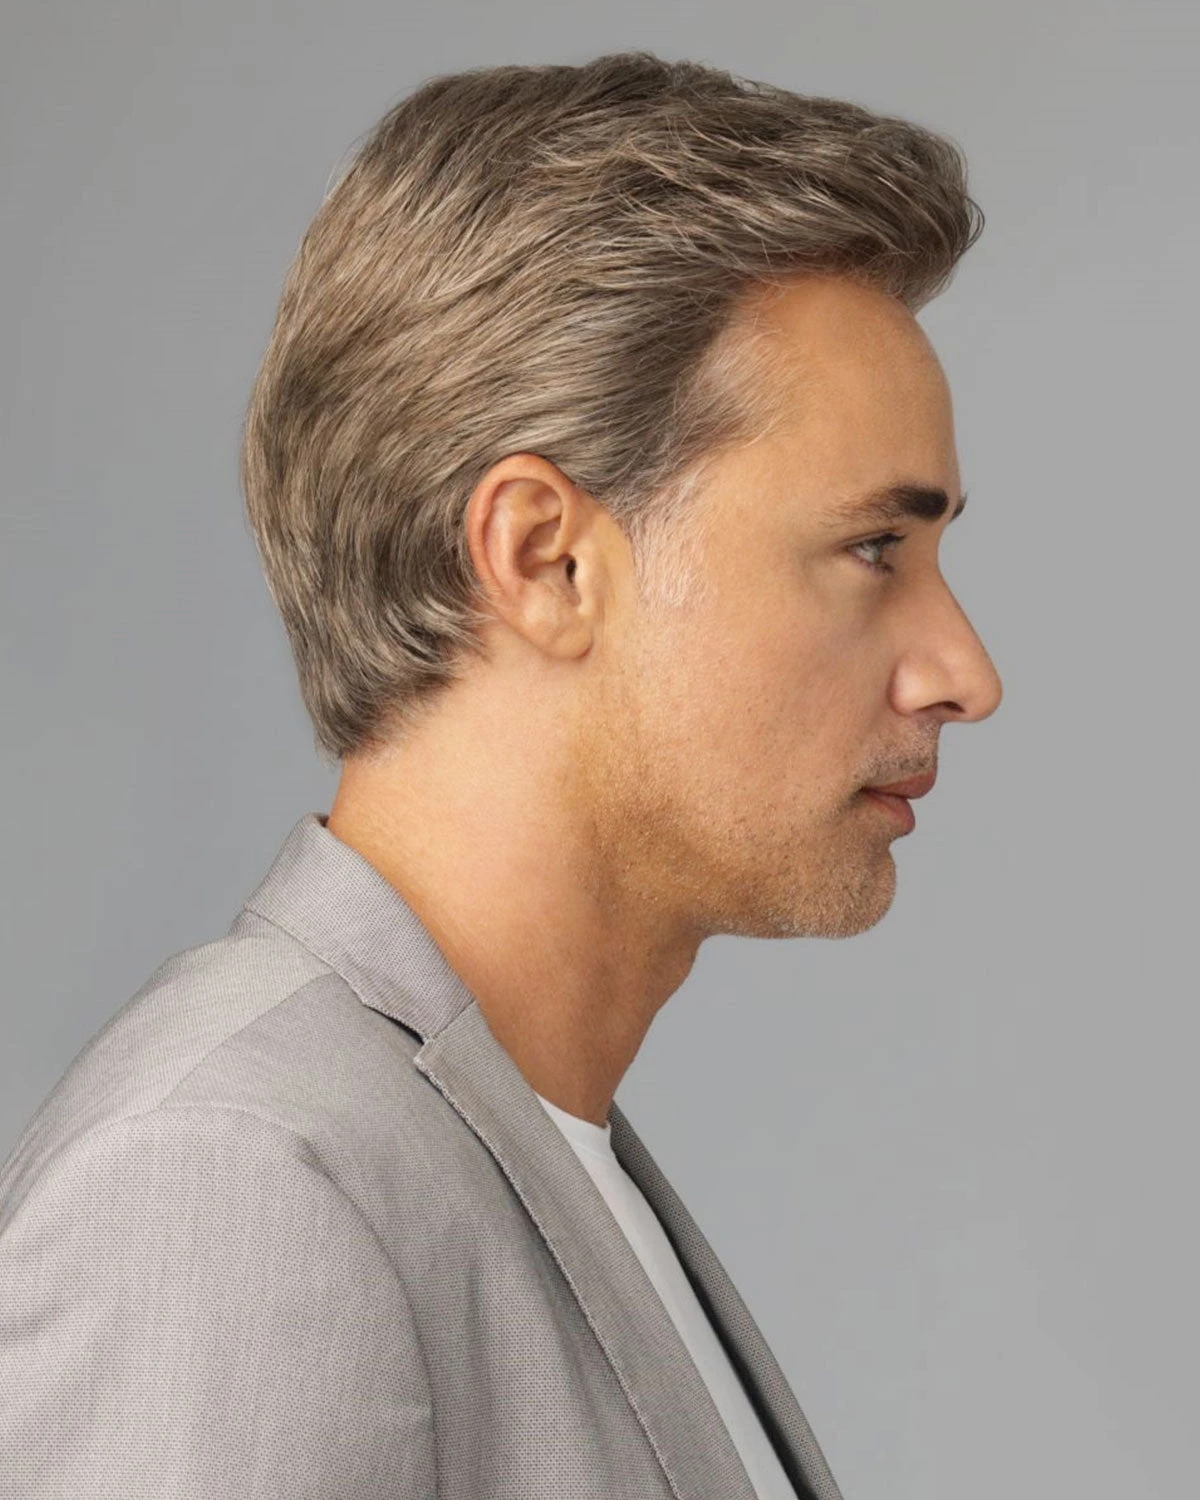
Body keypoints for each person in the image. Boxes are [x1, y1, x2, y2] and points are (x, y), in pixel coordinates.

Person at [0, 49, 1002, 1500]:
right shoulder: (236, 1180)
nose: (964, 670)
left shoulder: (510, 1148)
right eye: (873, 549)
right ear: (543, 560)